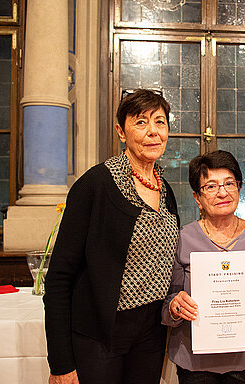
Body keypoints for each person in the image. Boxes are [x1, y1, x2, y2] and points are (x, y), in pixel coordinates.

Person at [43, 89, 180, 384]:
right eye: (141, 123)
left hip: (151, 333)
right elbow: (59, 277)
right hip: (100, 334)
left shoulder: (166, 190)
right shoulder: (94, 186)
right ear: (121, 131)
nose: (153, 132)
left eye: (160, 122)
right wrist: (61, 362)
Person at [162, 150, 245, 384]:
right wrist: (175, 306)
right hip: (194, 360)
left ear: (239, 188)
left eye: (229, 183)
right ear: (197, 197)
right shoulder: (182, 238)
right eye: (211, 186)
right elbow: (168, 300)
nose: (222, 192)